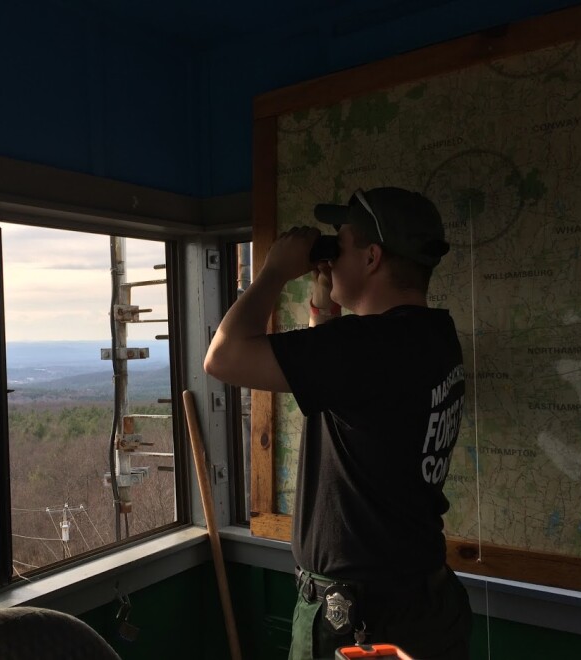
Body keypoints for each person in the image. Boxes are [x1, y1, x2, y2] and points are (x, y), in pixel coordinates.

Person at [204, 187, 472, 659]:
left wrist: (273, 272)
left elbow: (222, 358)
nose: (332, 254)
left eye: (341, 244)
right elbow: (341, 382)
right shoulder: (434, 335)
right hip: (424, 601)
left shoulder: (366, 347)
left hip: (361, 624)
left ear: (372, 257)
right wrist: (322, 304)